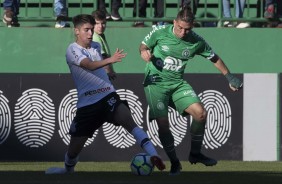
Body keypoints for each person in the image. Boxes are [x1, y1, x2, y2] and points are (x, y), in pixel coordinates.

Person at [45, 14, 165, 174]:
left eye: (91, 29)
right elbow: (89, 65)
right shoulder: (72, 49)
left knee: (128, 120)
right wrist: (110, 60)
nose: (90, 33)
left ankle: (153, 155)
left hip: (108, 95)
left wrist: (108, 70)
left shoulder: (95, 45)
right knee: (74, 149)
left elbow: (99, 65)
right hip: (88, 104)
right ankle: (68, 169)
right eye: (86, 30)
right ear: (76, 31)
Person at [139, 6, 242, 175]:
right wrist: (144, 51)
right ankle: (174, 162)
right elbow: (143, 46)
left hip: (177, 83)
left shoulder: (196, 41)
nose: (183, 32)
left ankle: (195, 154)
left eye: (187, 29)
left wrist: (229, 77)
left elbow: (214, 58)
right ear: (174, 22)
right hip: (155, 83)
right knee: (164, 125)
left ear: (192, 26)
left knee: (201, 113)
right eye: (180, 27)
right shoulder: (159, 31)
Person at [92, 10, 116, 80]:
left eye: (103, 23)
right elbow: (103, 58)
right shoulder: (95, 37)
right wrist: (109, 72)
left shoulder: (100, 35)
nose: (101, 26)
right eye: (97, 23)